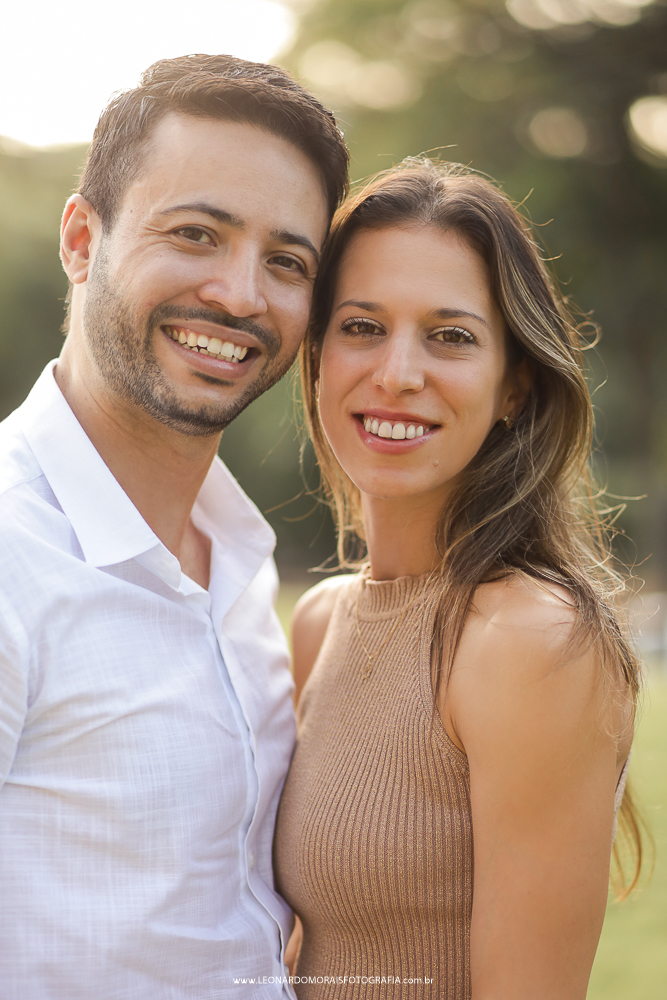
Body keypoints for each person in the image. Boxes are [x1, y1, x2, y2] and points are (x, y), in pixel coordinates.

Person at [0, 54, 348, 998]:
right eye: (196, 234)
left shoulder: (238, 562)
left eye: (286, 262)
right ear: (82, 240)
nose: (240, 296)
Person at [274, 160, 642, 999]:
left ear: (514, 384)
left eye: (450, 337)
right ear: (318, 355)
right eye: (362, 326)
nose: (398, 373)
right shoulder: (319, 621)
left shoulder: (529, 642)